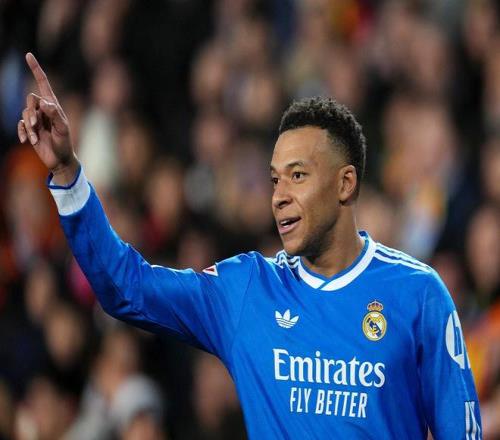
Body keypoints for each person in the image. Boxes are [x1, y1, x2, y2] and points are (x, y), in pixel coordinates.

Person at [18, 52, 482, 439]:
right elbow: (127, 288)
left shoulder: (418, 294)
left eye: (298, 176)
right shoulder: (246, 290)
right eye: (275, 179)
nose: (279, 195)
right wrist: (68, 175)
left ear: (345, 184)